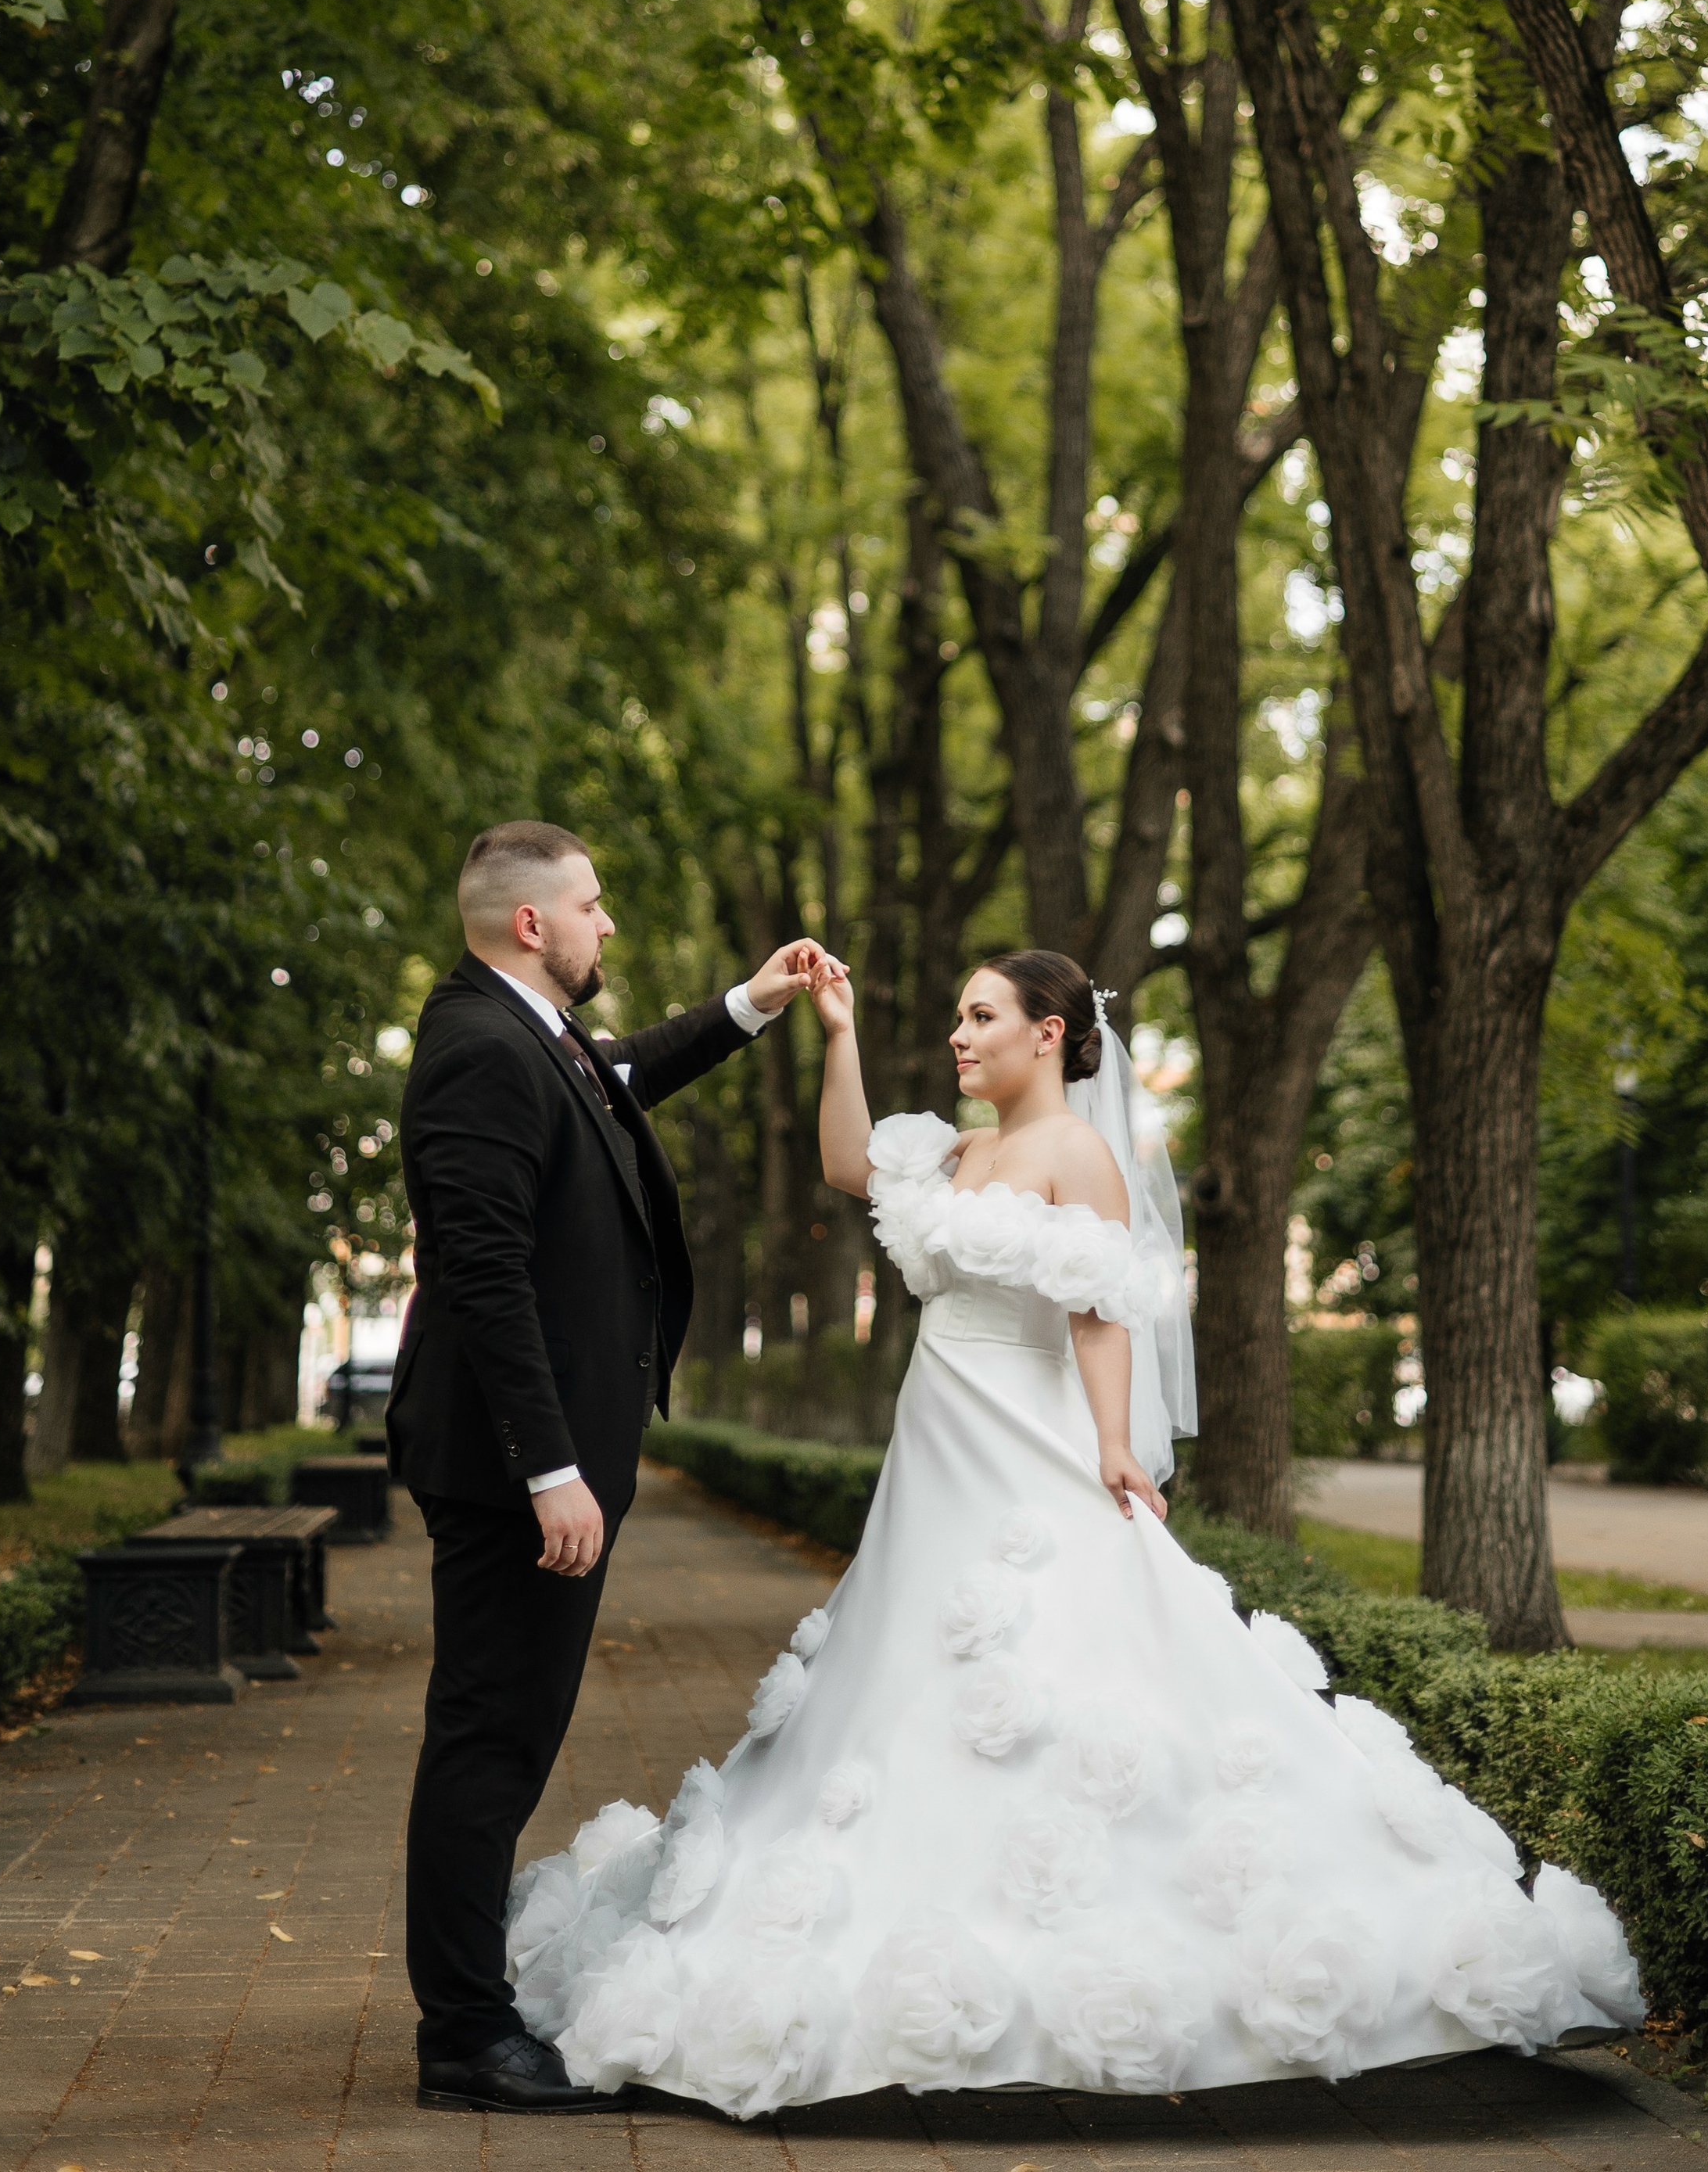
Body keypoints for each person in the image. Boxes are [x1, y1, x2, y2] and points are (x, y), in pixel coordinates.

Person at [504, 948, 1644, 2113]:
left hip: (1027, 1443)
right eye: (956, 1015)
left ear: (1048, 1033)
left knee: (1059, 1670)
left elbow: (1104, 1315)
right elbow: (849, 1162)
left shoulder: (1080, 1155)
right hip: (937, 1451)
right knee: (907, 1670)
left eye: (982, 1015)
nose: (960, 1034)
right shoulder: (952, 1150)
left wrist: (1113, 1447)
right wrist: (837, 1030)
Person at [387, 817, 831, 2116]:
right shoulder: (478, 1050)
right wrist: (548, 1468)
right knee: (488, 1738)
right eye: (592, 905)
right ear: (534, 924)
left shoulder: (534, 1035)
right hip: (510, 1470)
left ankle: (470, 2009)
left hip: (546, 1462)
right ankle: (462, 2035)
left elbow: (622, 1075)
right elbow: (482, 1279)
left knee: (509, 1733)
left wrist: (752, 1002)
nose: (607, 925)